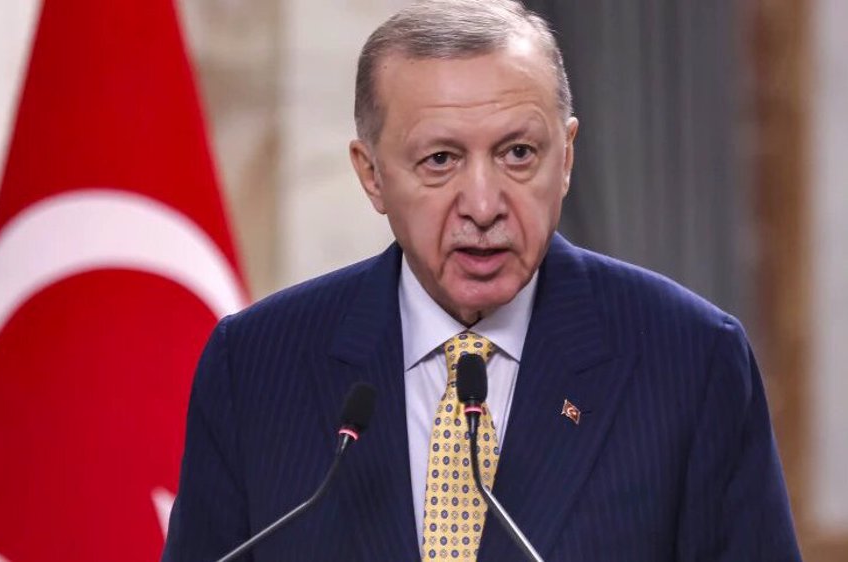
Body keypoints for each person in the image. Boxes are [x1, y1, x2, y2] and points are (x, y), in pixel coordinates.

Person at [163, 1, 801, 560]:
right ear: (372, 175)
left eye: (518, 153)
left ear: (568, 156)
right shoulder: (254, 366)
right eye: (440, 160)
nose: (484, 203)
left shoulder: (690, 359)